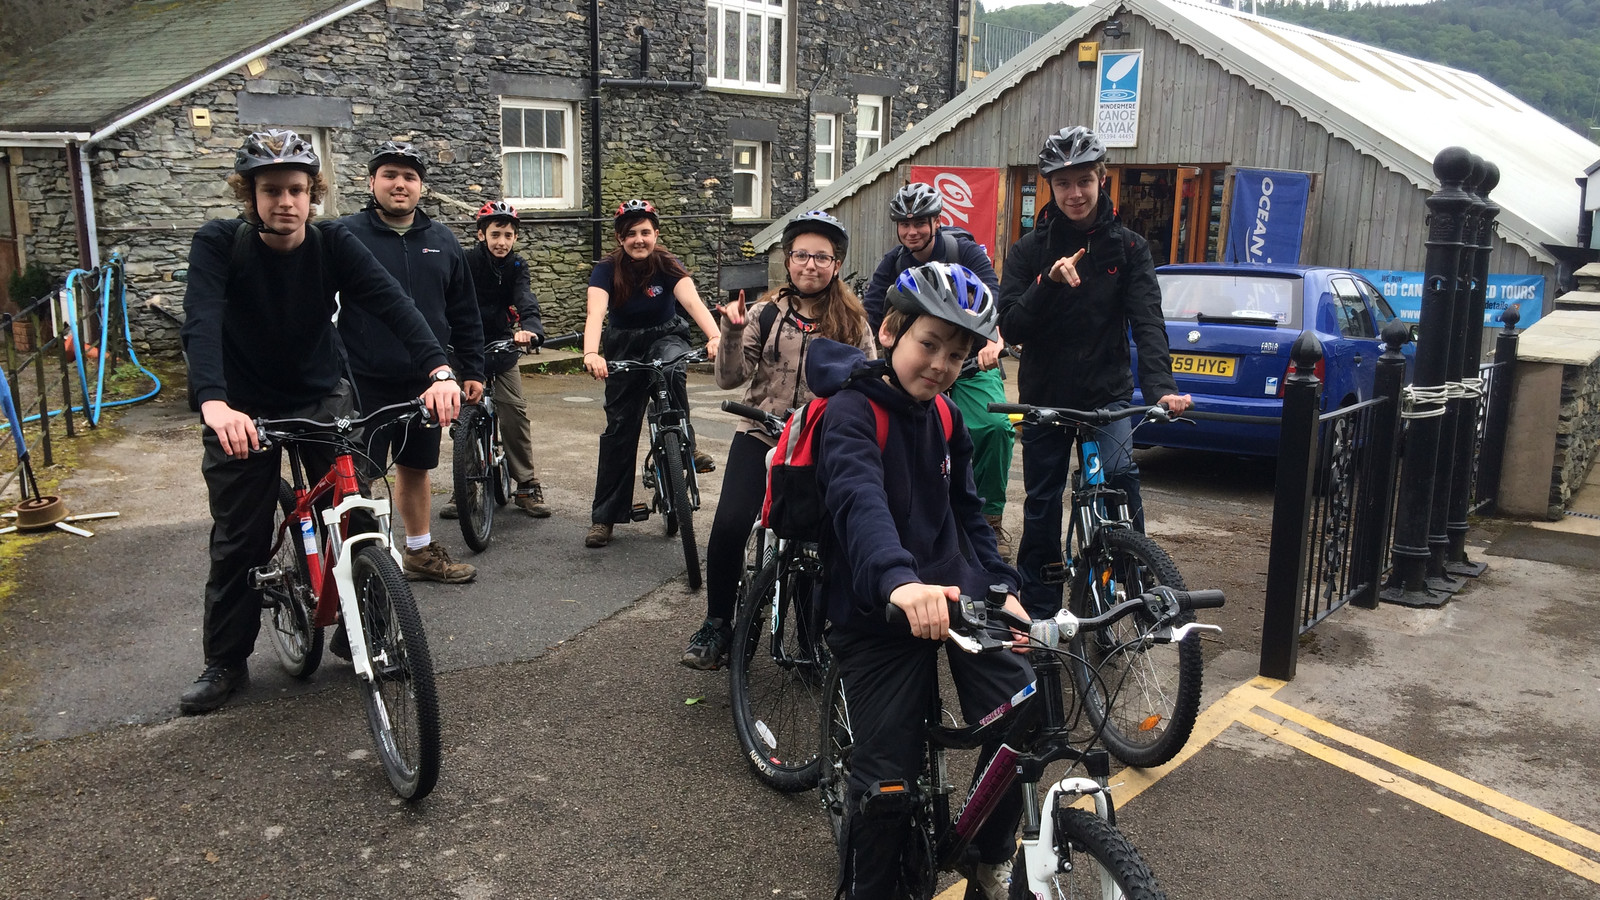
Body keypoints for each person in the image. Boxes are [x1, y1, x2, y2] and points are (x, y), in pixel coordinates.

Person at [178, 129, 460, 715]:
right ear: (250, 195)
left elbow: (393, 304)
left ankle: (365, 630)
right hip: (240, 405)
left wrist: (438, 369)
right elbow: (201, 323)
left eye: (298, 190)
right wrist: (213, 404)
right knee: (241, 538)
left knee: (356, 511)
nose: (286, 201)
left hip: (318, 392)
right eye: (272, 189)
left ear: (315, 195)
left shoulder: (333, 244)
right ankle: (226, 660)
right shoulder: (218, 244)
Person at [811, 262, 1034, 900]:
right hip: (876, 608)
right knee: (886, 790)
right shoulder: (851, 412)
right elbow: (860, 503)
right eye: (928, 344)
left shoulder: (945, 417)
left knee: (1026, 713)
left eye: (957, 354)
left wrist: (999, 584)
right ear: (890, 332)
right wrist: (896, 581)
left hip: (953, 598)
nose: (939, 364)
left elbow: (969, 513)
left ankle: (984, 855)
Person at [995, 125, 1191, 620]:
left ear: (1102, 179)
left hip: (1107, 394)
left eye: (1084, 180)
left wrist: (1163, 389)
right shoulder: (1027, 252)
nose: (1075, 193)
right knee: (1041, 503)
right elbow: (1011, 324)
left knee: (1122, 483)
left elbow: (1148, 322)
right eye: (1063, 183)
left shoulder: (1128, 249)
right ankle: (1039, 611)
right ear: (1050, 188)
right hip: (1045, 397)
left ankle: (1138, 591)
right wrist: (1048, 282)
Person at [681, 210, 876, 670]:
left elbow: (868, 382)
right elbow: (730, 379)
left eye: (822, 257)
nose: (810, 265)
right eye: (801, 255)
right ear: (788, 260)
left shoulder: (852, 322)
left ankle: (810, 636)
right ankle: (716, 624)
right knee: (729, 526)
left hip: (819, 440)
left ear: (836, 264)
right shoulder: (765, 313)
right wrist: (729, 332)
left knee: (817, 542)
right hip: (759, 432)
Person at [338, 141, 485, 583]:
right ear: (371, 182)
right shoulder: (345, 235)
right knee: (357, 477)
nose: (400, 184)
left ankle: (418, 552)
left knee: (416, 468)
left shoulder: (442, 241)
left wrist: (473, 368)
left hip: (427, 382)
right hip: (363, 379)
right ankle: (363, 566)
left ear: (421, 186)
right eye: (390, 175)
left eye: (409, 177)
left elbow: (463, 311)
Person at [863, 182, 1017, 558]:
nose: (911, 230)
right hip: (914, 361)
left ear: (937, 222)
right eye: (904, 223)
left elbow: (990, 297)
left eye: (920, 222)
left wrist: (993, 342)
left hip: (966, 361)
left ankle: (991, 519)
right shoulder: (893, 262)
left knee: (996, 427)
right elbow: (870, 312)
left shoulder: (964, 251)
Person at [581, 199, 721, 550]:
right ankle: (605, 518)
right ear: (620, 238)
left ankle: (683, 440)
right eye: (631, 234)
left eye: (645, 232)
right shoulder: (606, 269)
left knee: (672, 368)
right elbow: (596, 313)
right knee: (618, 430)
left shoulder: (667, 263)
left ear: (656, 233)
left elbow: (692, 303)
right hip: (623, 345)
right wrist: (591, 352)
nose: (639, 239)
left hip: (665, 336)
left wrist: (715, 335)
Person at [440, 200, 551, 520]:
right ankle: (466, 487)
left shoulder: (517, 266)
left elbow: (525, 298)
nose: (502, 241)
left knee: (514, 410)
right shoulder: (466, 262)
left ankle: (527, 485)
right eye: (495, 234)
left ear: (515, 238)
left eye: (508, 235)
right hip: (463, 346)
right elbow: (448, 299)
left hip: (502, 345)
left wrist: (529, 328)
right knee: (463, 417)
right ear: (481, 235)